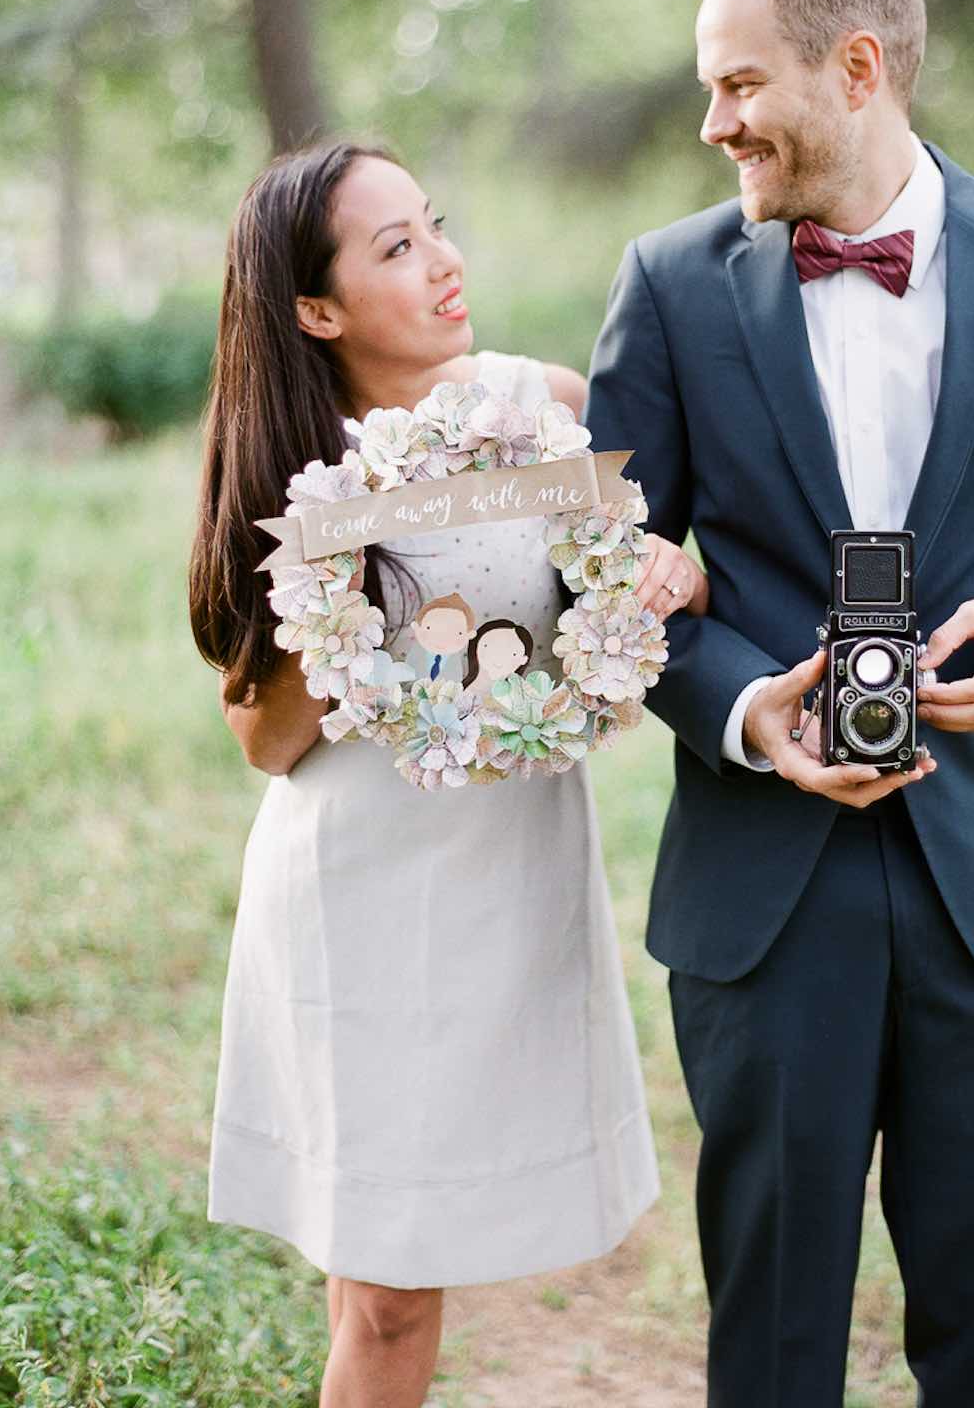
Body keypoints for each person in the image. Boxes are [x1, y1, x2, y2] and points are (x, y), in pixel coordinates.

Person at [584, 0, 974, 1408]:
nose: (715, 123)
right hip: (763, 904)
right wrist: (740, 715)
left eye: (739, 85)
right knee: (774, 1352)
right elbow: (611, 583)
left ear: (857, 67)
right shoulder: (665, 285)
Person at [188, 141, 704, 1406]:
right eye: (396, 248)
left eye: (434, 225)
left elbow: (650, 570)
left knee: (403, 1263)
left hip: (508, 871)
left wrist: (672, 572)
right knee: (389, 1292)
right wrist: (365, 560)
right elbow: (263, 739)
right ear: (316, 309)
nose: (444, 261)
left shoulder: (548, 410)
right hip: (357, 881)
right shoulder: (293, 466)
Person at [462, 618, 534, 695]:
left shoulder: (513, 697)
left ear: (523, 660)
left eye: (513, 654)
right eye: (488, 646)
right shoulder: (458, 688)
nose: (498, 657)